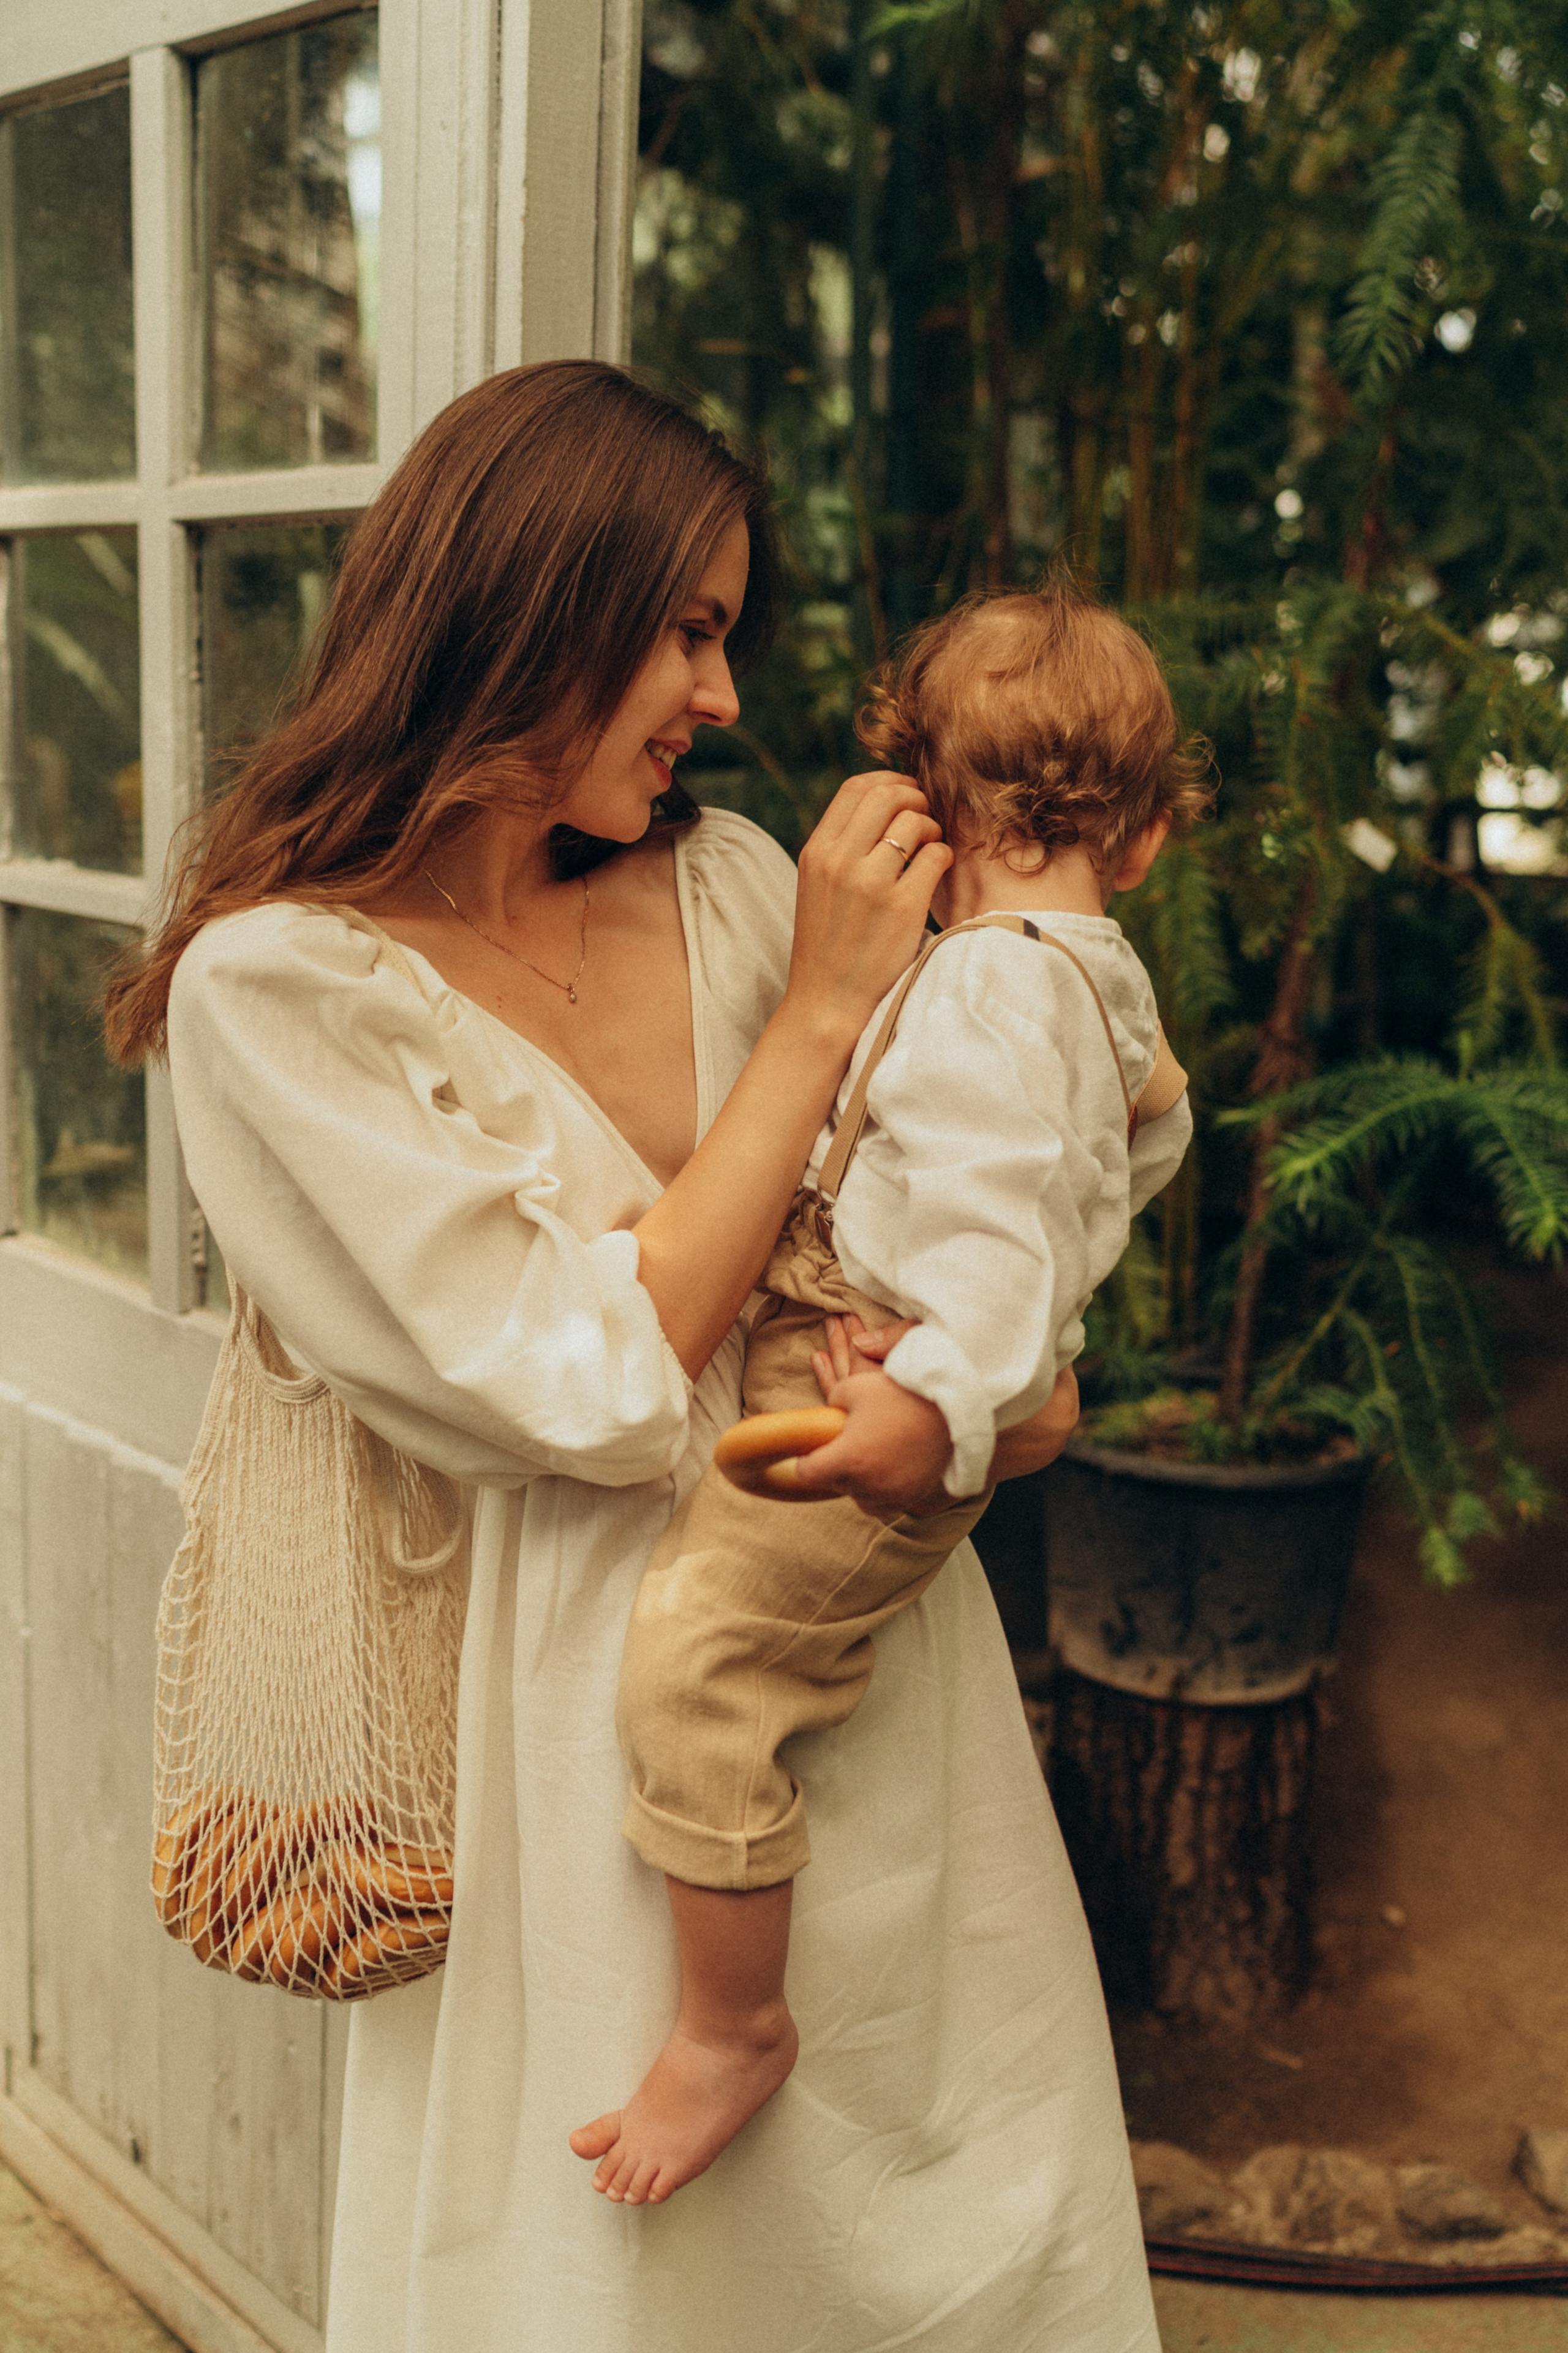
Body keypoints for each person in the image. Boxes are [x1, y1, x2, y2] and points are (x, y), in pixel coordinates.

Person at [106, 361, 1161, 2353]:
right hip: (571, 1775)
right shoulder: (281, 990)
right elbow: (576, 1389)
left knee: (946, 2248)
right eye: (686, 628)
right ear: (527, 603)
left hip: (875, 1688)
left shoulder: (741, 885)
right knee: (622, 2292)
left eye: (728, 635)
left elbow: (982, 1238)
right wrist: (821, 1020)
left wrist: (993, 1387)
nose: (726, 697)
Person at [589, 583, 1203, 2210]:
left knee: (700, 1670)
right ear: (1139, 842)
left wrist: (936, 1394)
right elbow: (1150, 1129)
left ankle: (733, 2021)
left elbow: (999, 1225)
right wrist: (1040, 1318)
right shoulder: (1094, 970)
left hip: (874, 1385)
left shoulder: (988, 986)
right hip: (925, 1351)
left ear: (928, 805)